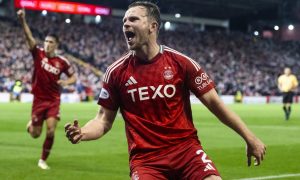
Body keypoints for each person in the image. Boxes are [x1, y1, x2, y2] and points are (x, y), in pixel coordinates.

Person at [65, 1, 266, 179]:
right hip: (146, 161)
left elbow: (214, 102)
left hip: (186, 152)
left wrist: (249, 137)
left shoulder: (181, 63)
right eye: (124, 20)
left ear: (153, 26)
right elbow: (102, 120)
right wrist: (83, 132)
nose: (125, 24)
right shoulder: (116, 72)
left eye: (133, 19)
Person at [17, 9, 77, 170]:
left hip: (53, 100)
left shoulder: (62, 61)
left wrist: (66, 82)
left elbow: (74, 77)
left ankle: (42, 160)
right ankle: (31, 125)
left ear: (56, 45)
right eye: (46, 41)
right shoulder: (38, 54)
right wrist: (23, 21)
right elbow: (29, 38)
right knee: (35, 134)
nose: (47, 44)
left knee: (51, 131)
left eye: (51, 42)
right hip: (39, 99)